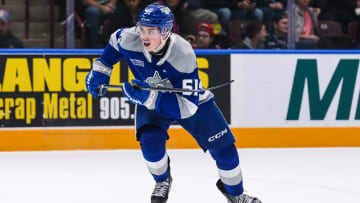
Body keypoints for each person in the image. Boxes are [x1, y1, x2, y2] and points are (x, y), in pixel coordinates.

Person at [85, 4, 261, 203]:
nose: (144, 36)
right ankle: (162, 180)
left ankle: (236, 194)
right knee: (150, 143)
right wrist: (100, 72)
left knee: (226, 152)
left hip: (189, 101)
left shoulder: (183, 53)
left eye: (151, 31)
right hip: (151, 97)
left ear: (166, 31)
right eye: (142, 29)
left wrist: (146, 98)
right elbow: (112, 49)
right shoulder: (128, 37)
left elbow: (187, 107)